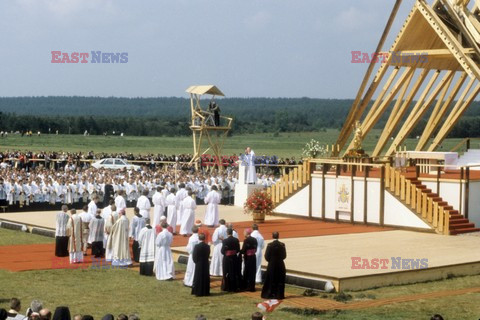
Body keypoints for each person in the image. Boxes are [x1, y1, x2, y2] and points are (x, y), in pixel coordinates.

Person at [261, 232, 287, 299]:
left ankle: (270, 294)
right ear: (278, 236)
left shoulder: (270, 245)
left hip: (272, 265)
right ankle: (279, 295)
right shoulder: (282, 245)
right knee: (279, 279)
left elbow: (266, 256)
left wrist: (271, 261)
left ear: (272, 236)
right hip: (280, 264)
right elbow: (284, 256)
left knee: (271, 279)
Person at [221, 228, 241, 292]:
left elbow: (222, 251)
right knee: (234, 272)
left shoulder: (225, 241)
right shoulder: (236, 240)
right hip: (234, 258)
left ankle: (226, 286)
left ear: (227, 233)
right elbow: (238, 250)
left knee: (226, 272)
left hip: (227, 258)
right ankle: (234, 286)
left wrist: (227, 253)